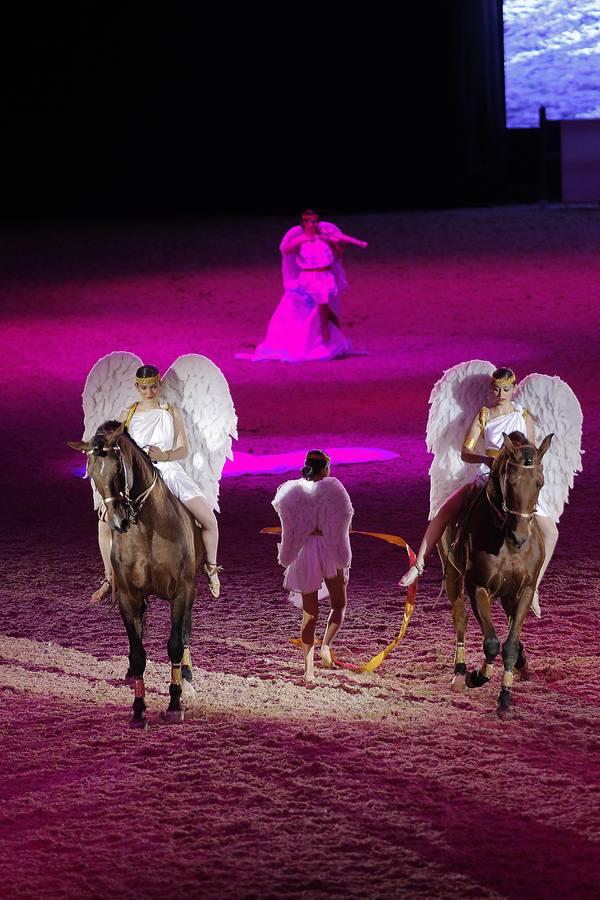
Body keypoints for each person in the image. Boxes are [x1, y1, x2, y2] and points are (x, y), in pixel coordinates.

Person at [400, 365, 583, 619]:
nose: (501, 393)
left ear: (513, 388)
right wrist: (487, 460)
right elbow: (466, 451)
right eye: (496, 388)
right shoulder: (484, 415)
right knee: (444, 511)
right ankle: (418, 565)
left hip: (515, 478)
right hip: (487, 474)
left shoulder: (524, 415)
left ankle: (535, 587)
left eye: (506, 389)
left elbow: (528, 450)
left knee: (551, 530)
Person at [91, 365, 222, 602]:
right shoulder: (127, 415)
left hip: (169, 471)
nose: (149, 391)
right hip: (136, 478)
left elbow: (183, 448)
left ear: (159, 385)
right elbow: (115, 450)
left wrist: (165, 456)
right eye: (144, 387)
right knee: (103, 524)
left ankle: (211, 567)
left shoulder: (171, 411)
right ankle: (109, 577)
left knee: (209, 520)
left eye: (153, 386)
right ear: (137, 387)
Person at [237, 209, 368, 362]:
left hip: (326, 277)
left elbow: (338, 256)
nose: (315, 224)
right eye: (311, 221)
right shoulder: (300, 240)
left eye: (316, 220)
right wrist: (302, 240)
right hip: (309, 278)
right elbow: (285, 250)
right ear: (304, 223)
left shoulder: (325, 239)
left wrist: (338, 243)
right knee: (319, 305)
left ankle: (331, 339)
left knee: (327, 307)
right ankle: (324, 336)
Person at [272, 450, 354, 681]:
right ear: (326, 469)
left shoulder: (293, 492)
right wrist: (343, 556)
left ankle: (309, 671)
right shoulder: (335, 488)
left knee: (310, 614)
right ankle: (326, 646)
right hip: (329, 550)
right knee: (339, 604)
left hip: (305, 553)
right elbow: (344, 523)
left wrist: (287, 555)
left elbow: (289, 529)